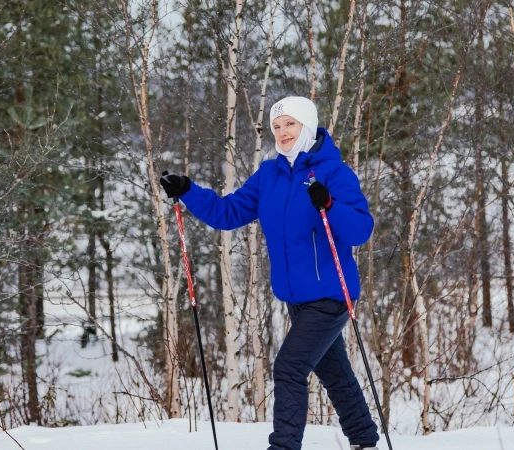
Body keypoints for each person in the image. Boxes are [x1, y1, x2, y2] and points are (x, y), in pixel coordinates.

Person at [160, 96, 380, 450]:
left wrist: (329, 204)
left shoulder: (333, 173)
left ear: (307, 125)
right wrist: (188, 192)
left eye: (290, 124)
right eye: (277, 126)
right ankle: (365, 440)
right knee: (334, 372)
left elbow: (360, 231)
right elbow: (227, 213)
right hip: (297, 300)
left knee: (289, 368)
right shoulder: (269, 175)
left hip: (331, 296)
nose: (283, 132)